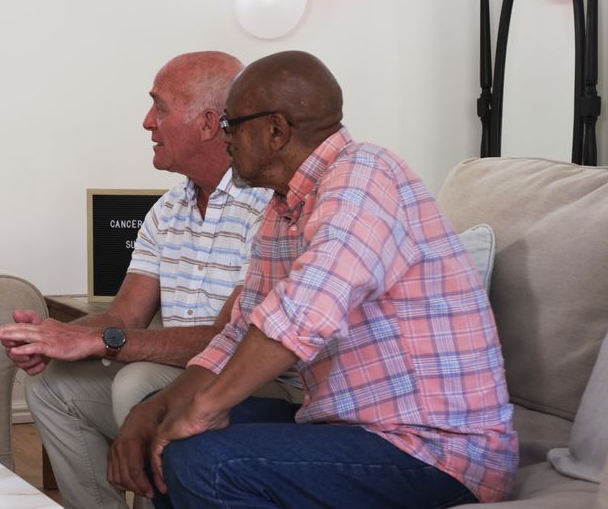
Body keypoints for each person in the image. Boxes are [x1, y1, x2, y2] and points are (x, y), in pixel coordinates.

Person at [107, 50, 518, 508]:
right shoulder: (281, 210)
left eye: (232, 127)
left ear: (276, 131)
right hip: (348, 428)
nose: (226, 142)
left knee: (205, 460)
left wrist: (202, 410)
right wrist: (159, 409)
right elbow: (238, 332)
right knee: (169, 440)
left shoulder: (364, 175)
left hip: (433, 448)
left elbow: (303, 313)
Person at [0, 51, 295, 509]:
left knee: (137, 382)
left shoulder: (270, 211)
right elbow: (123, 315)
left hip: (257, 382)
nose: (146, 123)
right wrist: (53, 338)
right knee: (51, 385)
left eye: (159, 108)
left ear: (209, 124)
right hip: (177, 375)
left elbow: (228, 340)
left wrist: (104, 343)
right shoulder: (167, 211)